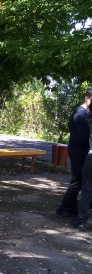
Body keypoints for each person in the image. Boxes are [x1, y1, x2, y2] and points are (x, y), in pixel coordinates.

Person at [56, 89, 92, 218]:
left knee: (79, 180)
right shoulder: (80, 115)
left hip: (79, 150)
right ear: (87, 98)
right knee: (77, 181)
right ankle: (64, 209)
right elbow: (84, 136)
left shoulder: (84, 113)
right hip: (78, 151)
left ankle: (70, 208)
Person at [72, 88, 92, 231]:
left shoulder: (88, 116)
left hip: (90, 156)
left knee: (86, 190)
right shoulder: (83, 115)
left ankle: (81, 221)